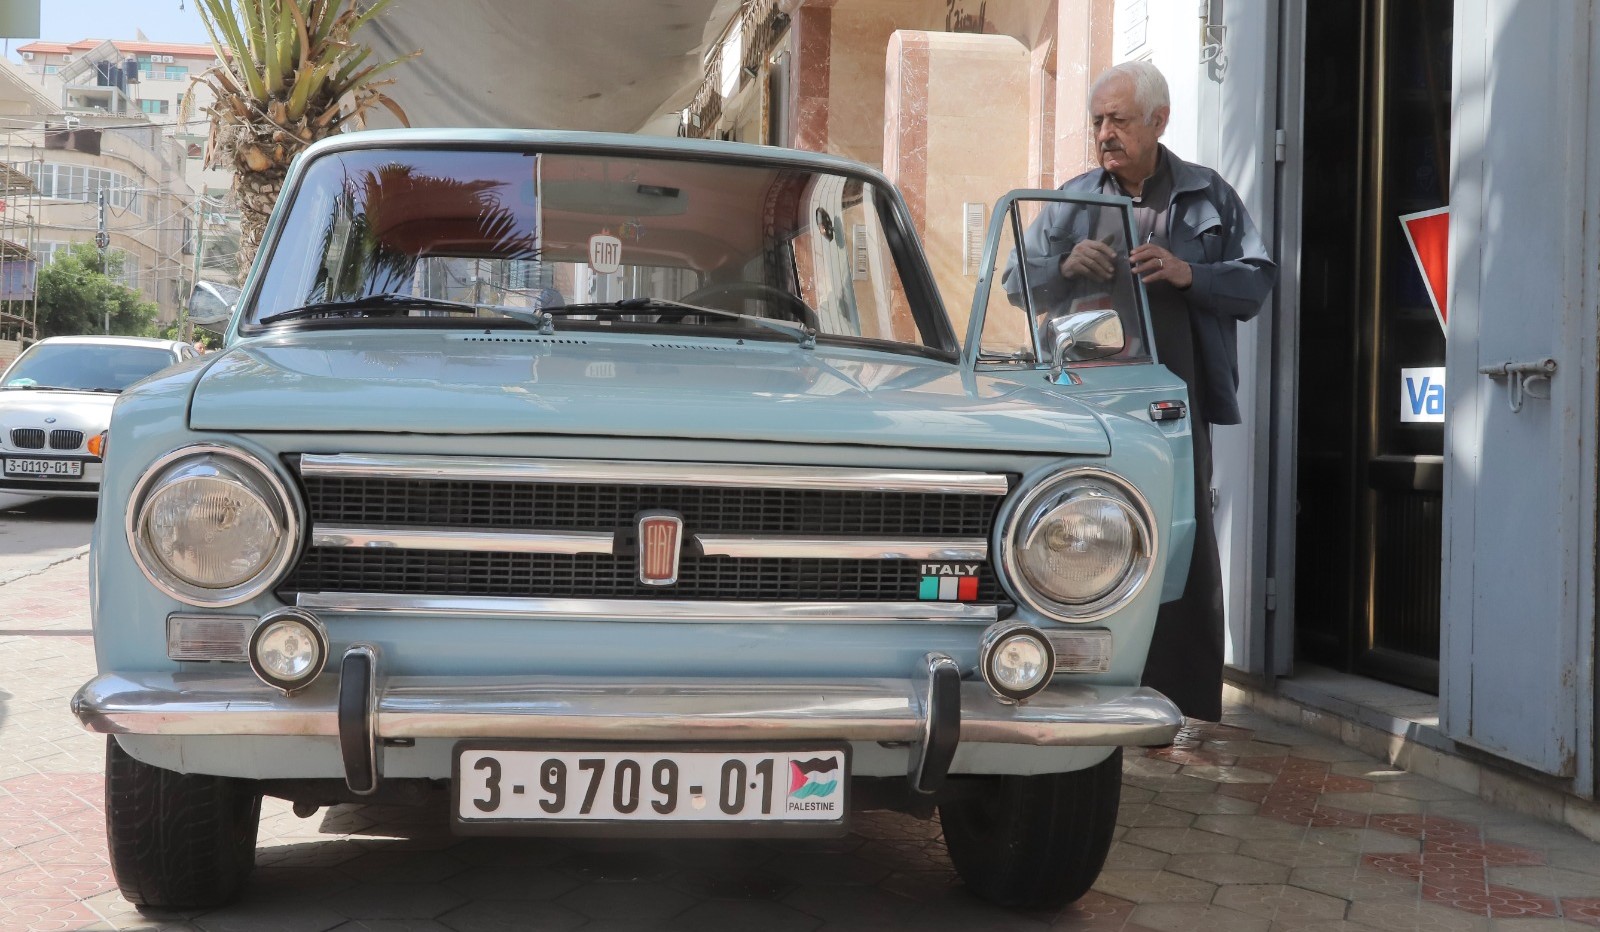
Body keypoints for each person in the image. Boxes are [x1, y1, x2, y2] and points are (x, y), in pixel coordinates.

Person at [1006, 61, 1277, 721]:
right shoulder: (1073, 199)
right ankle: (1078, 687)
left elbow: (1256, 283)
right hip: (1088, 407)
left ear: (1158, 121)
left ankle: (1182, 703)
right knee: (1081, 534)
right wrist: (1063, 266)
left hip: (1177, 406)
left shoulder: (1207, 195)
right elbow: (1015, 282)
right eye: (1097, 120)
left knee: (1181, 536)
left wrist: (1190, 273)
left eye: (1118, 120)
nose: (1104, 133)